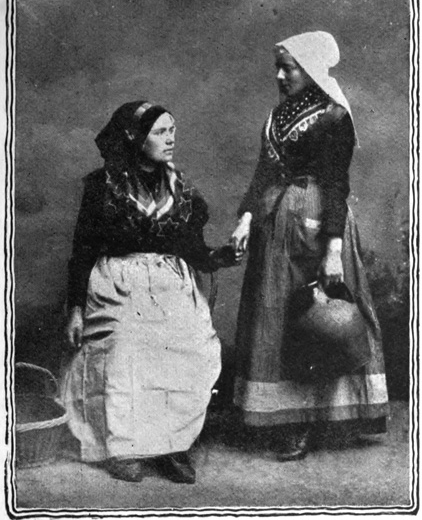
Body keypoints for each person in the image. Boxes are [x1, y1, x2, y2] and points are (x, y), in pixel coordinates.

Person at [230, 31, 389, 461]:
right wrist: (246, 218)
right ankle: (287, 421)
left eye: (289, 69)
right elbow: (264, 173)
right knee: (277, 315)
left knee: (320, 317)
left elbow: (337, 184)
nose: (280, 77)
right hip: (276, 224)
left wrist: (333, 249)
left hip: (319, 223)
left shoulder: (334, 116)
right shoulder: (277, 116)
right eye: (278, 69)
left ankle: (320, 418)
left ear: (311, 69)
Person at [61, 100, 235, 483]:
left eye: (172, 130)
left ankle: (172, 445)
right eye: (160, 132)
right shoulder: (103, 186)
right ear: (134, 137)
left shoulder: (180, 188)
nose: (170, 139)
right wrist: (75, 308)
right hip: (118, 282)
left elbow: (192, 248)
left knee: (187, 348)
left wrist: (218, 257)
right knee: (127, 349)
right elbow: (83, 249)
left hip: (170, 282)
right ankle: (124, 446)